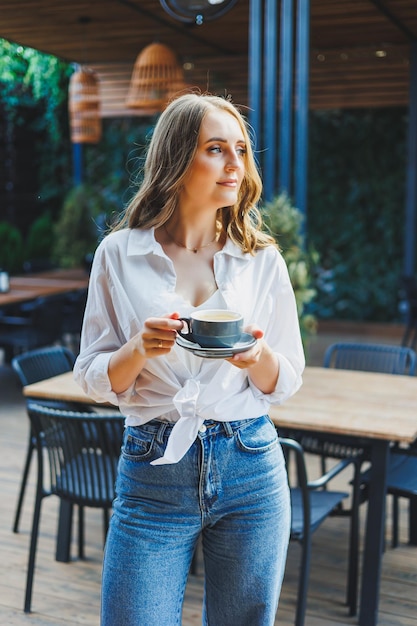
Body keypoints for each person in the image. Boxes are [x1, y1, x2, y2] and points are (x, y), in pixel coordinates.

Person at [74, 92, 305, 626]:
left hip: (250, 462)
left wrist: (256, 356)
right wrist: (137, 348)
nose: (235, 165)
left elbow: (286, 378)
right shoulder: (119, 254)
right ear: (178, 160)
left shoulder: (261, 259)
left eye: (241, 151)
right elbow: (91, 375)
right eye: (216, 149)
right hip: (153, 468)